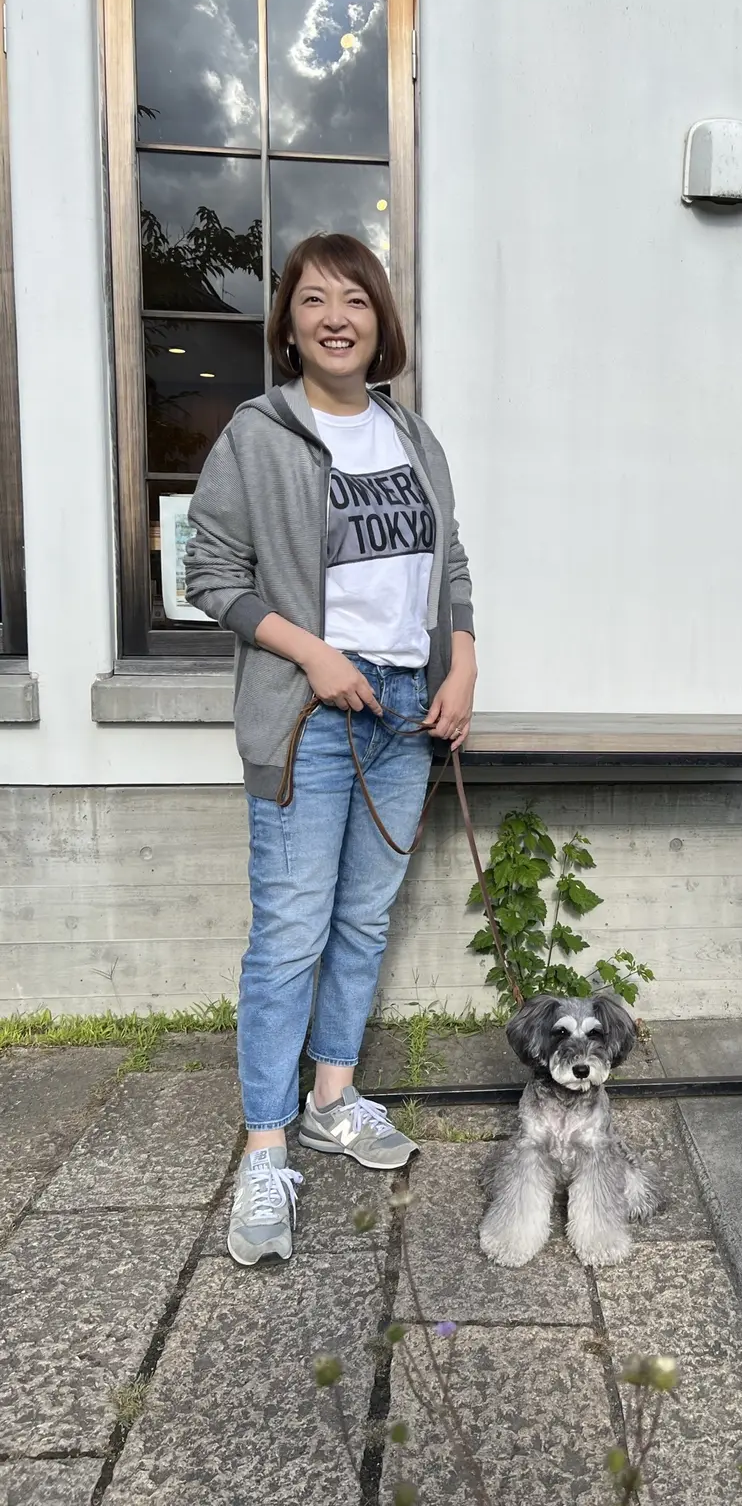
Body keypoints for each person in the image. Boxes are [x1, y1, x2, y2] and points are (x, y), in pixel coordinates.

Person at [185, 232, 477, 1266]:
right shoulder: (258, 434)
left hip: (405, 712)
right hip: (311, 717)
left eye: (355, 298)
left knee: (361, 922)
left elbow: (452, 566)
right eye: (314, 299)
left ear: (379, 319)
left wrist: (462, 664)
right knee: (291, 932)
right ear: (291, 323)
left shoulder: (413, 437)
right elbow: (209, 572)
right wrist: (311, 653)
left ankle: (333, 1100)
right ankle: (267, 1150)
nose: (336, 316)